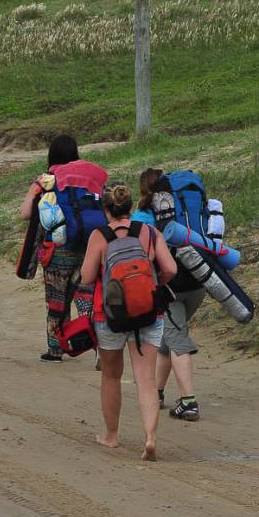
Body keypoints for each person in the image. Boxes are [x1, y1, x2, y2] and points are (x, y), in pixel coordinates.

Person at [80, 183, 176, 461]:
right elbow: (170, 268)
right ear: (131, 207)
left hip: (109, 315)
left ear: (105, 209)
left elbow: (86, 277)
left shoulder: (99, 236)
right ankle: (150, 437)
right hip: (147, 310)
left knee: (111, 375)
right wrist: (156, 283)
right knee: (145, 378)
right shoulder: (149, 232)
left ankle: (111, 436)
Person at [19, 134, 107, 362]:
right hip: (91, 245)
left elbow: (26, 213)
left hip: (57, 248)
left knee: (57, 299)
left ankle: (56, 349)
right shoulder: (94, 174)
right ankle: (101, 346)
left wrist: (35, 194)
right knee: (86, 297)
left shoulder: (48, 178)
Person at [134, 168, 205, 422]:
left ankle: (189, 402)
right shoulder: (186, 210)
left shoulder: (143, 216)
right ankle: (158, 392)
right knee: (167, 338)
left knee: (177, 340)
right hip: (200, 280)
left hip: (171, 286)